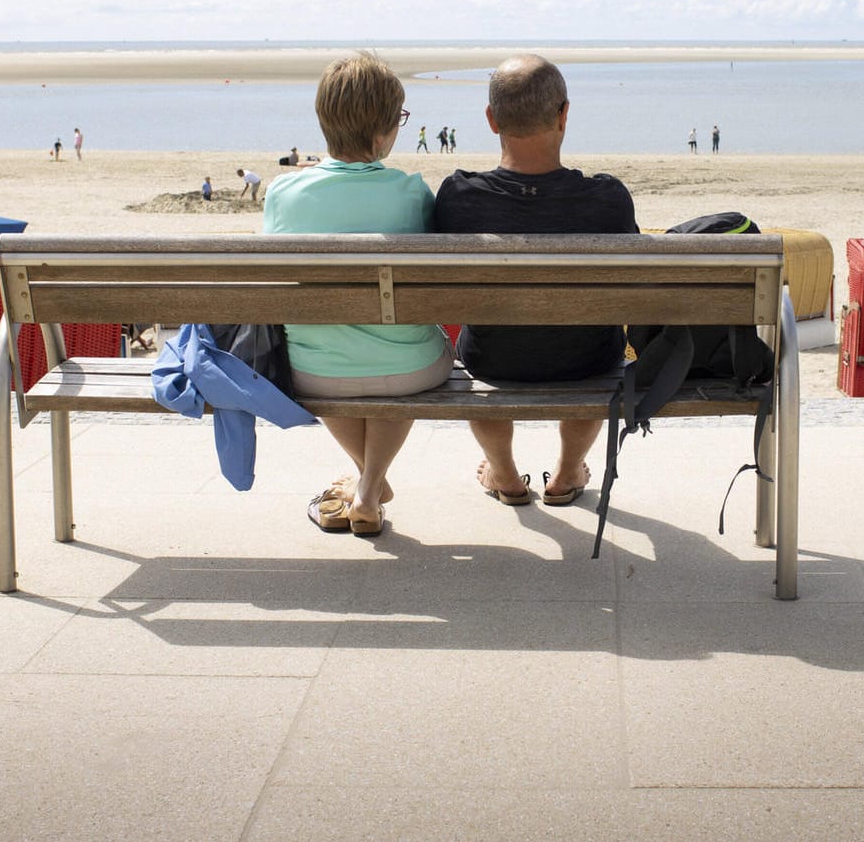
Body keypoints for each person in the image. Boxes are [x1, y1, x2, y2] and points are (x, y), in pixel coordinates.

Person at [433, 54, 638, 505]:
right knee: (595, 340)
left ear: (491, 119)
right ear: (564, 115)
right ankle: (567, 474)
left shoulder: (458, 196)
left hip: (492, 361)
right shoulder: (608, 199)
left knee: (482, 342)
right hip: (588, 361)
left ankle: (504, 475)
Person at [264, 53, 450, 536]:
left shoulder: (283, 193)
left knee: (344, 359)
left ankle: (369, 483)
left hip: (315, 374)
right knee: (391, 357)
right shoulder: (411, 192)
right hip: (413, 370)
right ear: (385, 133)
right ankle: (369, 488)